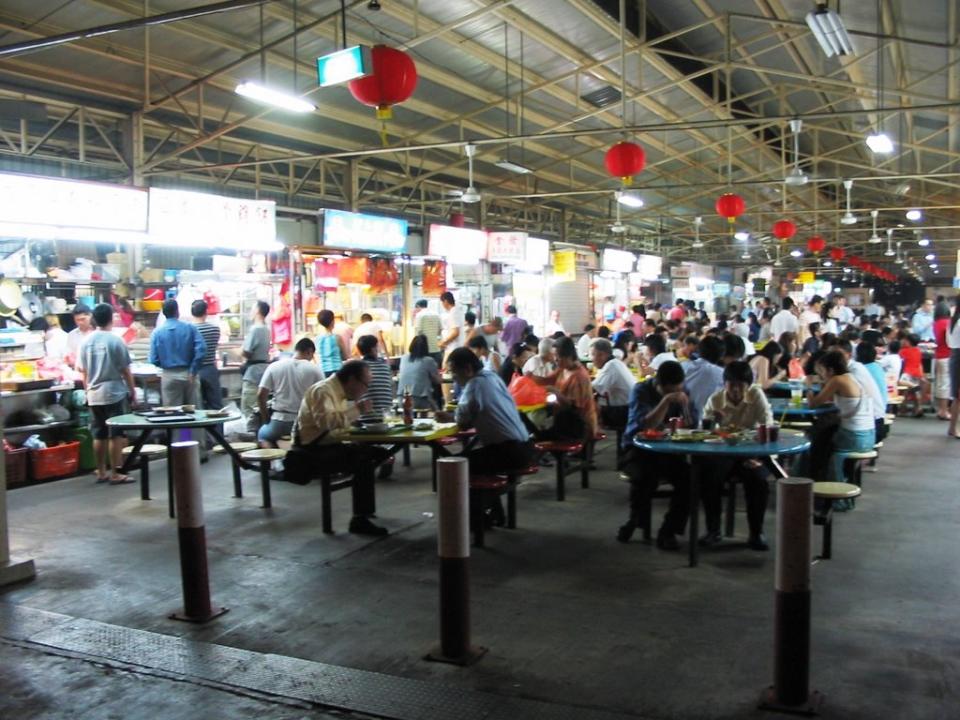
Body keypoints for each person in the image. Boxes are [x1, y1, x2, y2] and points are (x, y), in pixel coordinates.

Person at [287, 360, 391, 535]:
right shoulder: (323, 391)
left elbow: (338, 426)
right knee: (364, 460)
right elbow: (326, 422)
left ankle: (364, 511)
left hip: (328, 446)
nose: (365, 390)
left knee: (378, 453)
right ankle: (360, 518)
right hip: (310, 453)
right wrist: (357, 410)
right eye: (365, 385)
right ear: (351, 379)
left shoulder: (338, 393)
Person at [617, 361, 695, 549]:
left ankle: (668, 530)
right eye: (670, 391)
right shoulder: (641, 391)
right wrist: (666, 401)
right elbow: (645, 426)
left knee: (690, 479)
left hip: (669, 451)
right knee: (645, 476)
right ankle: (635, 520)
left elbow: (692, 422)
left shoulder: (683, 393)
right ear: (659, 384)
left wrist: (688, 418)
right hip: (637, 449)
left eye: (679, 388)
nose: (677, 393)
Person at [700, 361, 773, 551]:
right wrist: (713, 423)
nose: (735, 390)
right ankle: (713, 530)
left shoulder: (757, 396)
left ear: (748, 385)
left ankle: (756, 533)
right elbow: (704, 435)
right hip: (721, 455)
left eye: (741, 385)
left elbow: (767, 426)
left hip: (751, 454)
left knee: (758, 480)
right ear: (724, 384)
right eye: (731, 384)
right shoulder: (715, 401)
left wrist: (756, 456)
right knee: (708, 478)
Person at [436, 347, 534, 473]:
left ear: (468, 369)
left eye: (454, 372)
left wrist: (448, 417)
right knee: (468, 459)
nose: (453, 378)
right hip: (526, 447)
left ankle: (476, 493)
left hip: (508, 452)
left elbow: (462, 423)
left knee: (452, 467)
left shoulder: (473, 385)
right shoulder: (492, 377)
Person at [80, 303, 135, 484]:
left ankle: (101, 471)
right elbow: (126, 370)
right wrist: (132, 391)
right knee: (115, 434)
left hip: (94, 394)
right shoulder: (115, 340)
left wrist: (88, 390)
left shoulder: (86, 341)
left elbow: (83, 371)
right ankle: (115, 473)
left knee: (99, 434)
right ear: (111, 318)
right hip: (114, 393)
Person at [807, 350, 875, 483]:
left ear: (831, 370)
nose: (820, 375)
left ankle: (818, 481)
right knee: (824, 435)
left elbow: (813, 404)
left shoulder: (837, 380)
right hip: (868, 435)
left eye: (821, 371)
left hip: (854, 437)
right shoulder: (851, 377)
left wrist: (808, 386)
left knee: (817, 441)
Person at [526, 337, 597, 442]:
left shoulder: (579, 376)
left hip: (579, 426)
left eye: (557, 356)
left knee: (535, 436)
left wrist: (555, 392)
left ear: (568, 356)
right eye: (554, 355)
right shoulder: (563, 368)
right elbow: (547, 380)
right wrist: (530, 378)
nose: (554, 359)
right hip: (564, 421)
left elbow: (575, 408)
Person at [257, 338, 324, 448]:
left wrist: (266, 418)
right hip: (303, 423)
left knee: (263, 435)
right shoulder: (315, 369)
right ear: (309, 351)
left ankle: (275, 459)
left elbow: (260, 395)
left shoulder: (274, 366)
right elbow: (322, 397)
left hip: (279, 420)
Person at [149, 300, 205, 411]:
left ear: (164, 314)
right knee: (193, 412)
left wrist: (165, 365)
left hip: (169, 375)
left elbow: (153, 358)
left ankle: (180, 429)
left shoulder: (157, 332)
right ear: (177, 312)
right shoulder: (190, 328)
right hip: (189, 374)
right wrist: (193, 370)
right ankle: (188, 429)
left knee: (173, 414)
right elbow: (201, 349)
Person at [591, 338, 635, 430]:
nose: (592, 359)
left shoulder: (611, 366)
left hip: (624, 411)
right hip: (628, 408)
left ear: (602, 355)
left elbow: (592, 389)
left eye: (593, 355)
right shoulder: (616, 362)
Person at [241, 301, 271, 432]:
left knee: (249, 408)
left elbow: (247, 352)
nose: (251, 311)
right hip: (263, 370)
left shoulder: (255, 329)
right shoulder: (266, 329)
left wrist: (238, 352)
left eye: (253, 308)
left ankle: (252, 440)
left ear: (258, 310)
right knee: (259, 407)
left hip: (253, 372)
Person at [682, 335, 725, 419]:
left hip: (681, 420)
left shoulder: (683, 366)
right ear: (721, 356)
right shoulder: (722, 374)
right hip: (708, 421)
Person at [191, 300, 222, 412]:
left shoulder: (189, 330)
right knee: (215, 406)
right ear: (206, 312)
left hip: (193, 371)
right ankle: (217, 429)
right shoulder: (215, 329)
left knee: (196, 407)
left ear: (192, 313)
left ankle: (195, 430)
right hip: (210, 369)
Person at [357, 334, 394, 424]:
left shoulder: (358, 367)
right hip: (386, 419)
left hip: (364, 419)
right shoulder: (384, 365)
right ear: (373, 349)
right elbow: (391, 388)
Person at [397, 335, 440, 410]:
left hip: (401, 398)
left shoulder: (403, 358)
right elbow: (438, 380)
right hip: (420, 399)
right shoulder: (428, 360)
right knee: (436, 407)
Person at [932, 301, 953, 420]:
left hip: (939, 355)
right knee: (946, 384)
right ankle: (944, 411)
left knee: (941, 383)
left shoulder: (936, 323)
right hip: (948, 355)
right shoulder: (948, 323)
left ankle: (941, 409)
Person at [315, 309, 347, 374]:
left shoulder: (316, 339)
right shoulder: (337, 338)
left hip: (321, 371)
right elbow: (345, 356)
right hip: (337, 371)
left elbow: (316, 357)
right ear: (332, 321)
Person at [413, 299, 443, 366]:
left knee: (425, 371)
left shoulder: (419, 315)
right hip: (436, 349)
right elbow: (440, 330)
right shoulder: (437, 314)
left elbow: (418, 333)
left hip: (424, 350)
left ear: (418, 306)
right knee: (435, 371)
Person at [947, 296, 960, 437]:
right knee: (957, 395)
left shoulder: (953, 320)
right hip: (958, 356)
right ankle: (953, 428)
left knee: (957, 395)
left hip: (955, 355)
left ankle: (953, 427)